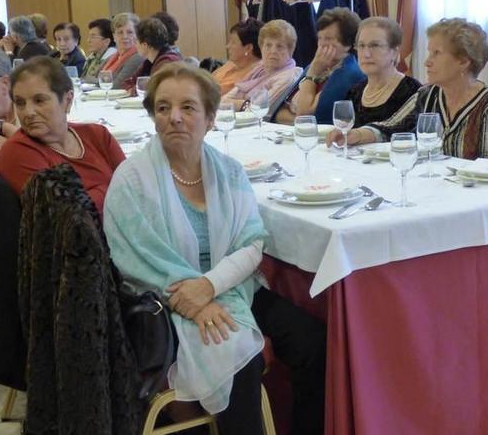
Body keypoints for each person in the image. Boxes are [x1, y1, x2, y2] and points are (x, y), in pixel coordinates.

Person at [104, 62, 326, 435]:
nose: (174, 117)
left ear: (210, 118)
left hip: (229, 287)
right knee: (237, 353)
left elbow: (252, 243)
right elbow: (136, 259)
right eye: (163, 108)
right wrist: (193, 296)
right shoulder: (132, 180)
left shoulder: (227, 171)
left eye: (188, 107)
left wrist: (209, 287)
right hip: (164, 298)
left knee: (312, 341)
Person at [345, 17, 488, 159]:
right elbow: (391, 127)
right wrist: (356, 135)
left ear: (464, 61)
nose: (427, 62)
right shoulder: (428, 95)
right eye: (429, 53)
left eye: (437, 53)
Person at [0, 56, 124, 214]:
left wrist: (100, 193)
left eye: (39, 100)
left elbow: (135, 188)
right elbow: (69, 214)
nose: (28, 112)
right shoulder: (17, 152)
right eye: (20, 103)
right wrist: (112, 188)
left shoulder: (97, 135)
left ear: (68, 101)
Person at [325, 17, 423, 147]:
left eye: (375, 45)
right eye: (361, 46)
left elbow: (401, 133)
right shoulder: (354, 92)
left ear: (394, 52)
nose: (366, 54)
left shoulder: (412, 90)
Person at [273, 8, 366, 125]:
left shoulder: (349, 73)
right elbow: (278, 113)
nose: (321, 44)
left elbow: (304, 117)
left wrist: (312, 74)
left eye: (328, 39)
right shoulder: (315, 66)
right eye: (320, 38)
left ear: (347, 44)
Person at [222, 19, 302, 119]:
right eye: (268, 45)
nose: (273, 51)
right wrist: (243, 104)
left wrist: (241, 104)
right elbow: (223, 101)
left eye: (280, 46)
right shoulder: (259, 69)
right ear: (261, 48)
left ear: (290, 51)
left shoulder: (289, 76)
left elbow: (258, 111)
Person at [124, 18, 182, 93]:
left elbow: (153, 90)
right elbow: (128, 83)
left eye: (136, 42)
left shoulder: (167, 62)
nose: (135, 46)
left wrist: (135, 89)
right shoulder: (149, 62)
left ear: (145, 45)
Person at [211, 19, 263, 95]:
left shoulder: (254, 74)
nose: (227, 46)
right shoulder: (232, 63)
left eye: (233, 42)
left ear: (248, 48)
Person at [99, 12, 145, 89]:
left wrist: (99, 82)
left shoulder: (138, 57)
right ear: (114, 36)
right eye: (120, 32)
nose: (125, 36)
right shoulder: (111, 57)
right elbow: (91, 78)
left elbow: (117, 85)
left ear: (137, 35)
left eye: (130, 32)